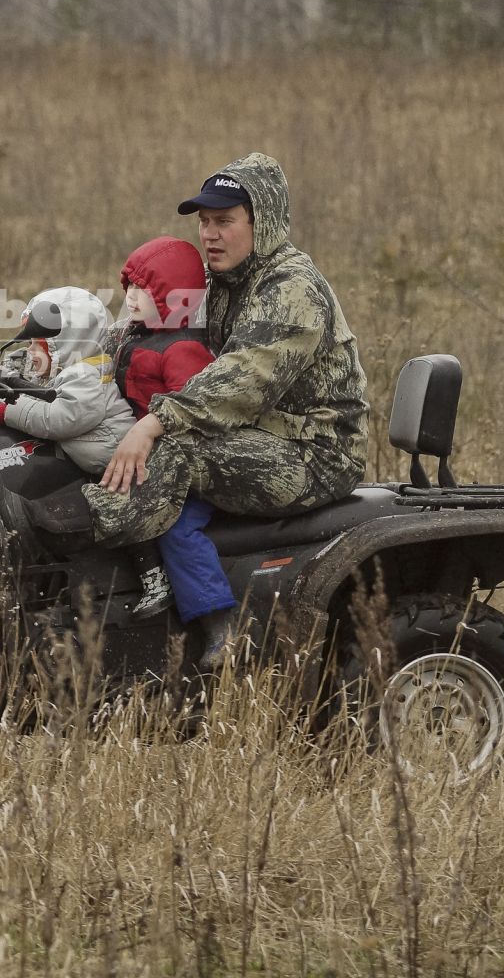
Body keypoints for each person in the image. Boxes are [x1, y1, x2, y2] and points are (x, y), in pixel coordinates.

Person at [86, 153, 369, 663]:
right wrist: (60, 361)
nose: (210, 235)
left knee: (173, 453)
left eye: (224, 221)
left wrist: (154, 422)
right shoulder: (220, 284)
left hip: (313, 451)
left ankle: (96, 551)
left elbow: (241, 379)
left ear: (263, 223)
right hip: (252, 434)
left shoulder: (292, 290)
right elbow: (145, 328)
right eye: (204, 222)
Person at [110, 236, 236, 668]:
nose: (129, 297)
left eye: (141, 290)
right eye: (127, 286)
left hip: (185, 465)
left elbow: (192, 409)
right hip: (145, 452)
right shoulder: (135, 336)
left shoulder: (183, 349)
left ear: (170, 298)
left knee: (177, 529)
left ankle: (218, 625)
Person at [0, 286, 135, 475]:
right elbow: (37, 401)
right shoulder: (64, 369)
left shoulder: (86, 376)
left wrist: (5, 412)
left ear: (66, 345)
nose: (30, 350)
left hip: (113, 462)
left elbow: (59, 419)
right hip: (86, 460)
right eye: (29, 342)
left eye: (39, 344)